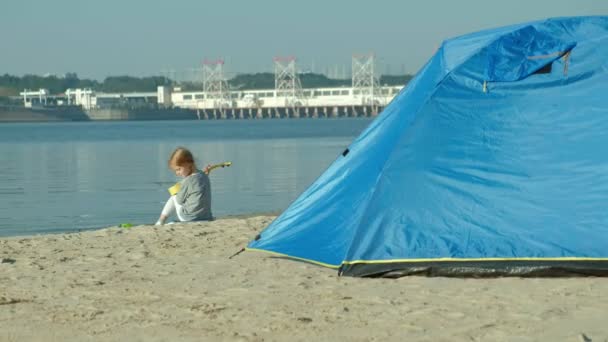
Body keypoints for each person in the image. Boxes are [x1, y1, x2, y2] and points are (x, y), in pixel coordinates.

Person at [155, 147, 213, 225]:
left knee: (174, 196)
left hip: (189, 218)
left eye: (178, 169)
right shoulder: (204, 176)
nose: (177, 173)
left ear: (189, 164)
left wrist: (179, 190)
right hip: (206, 217)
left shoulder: (188, 181)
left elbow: (179, 200)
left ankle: (161, 221)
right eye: (175, 170)